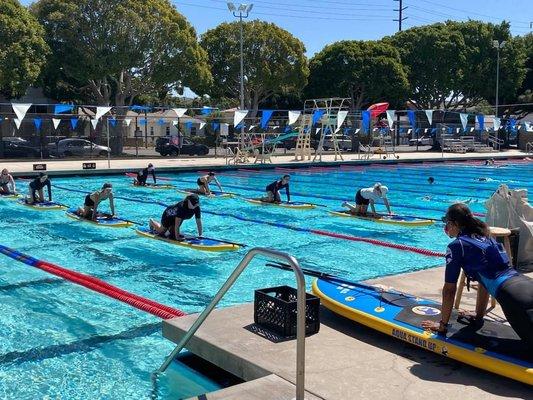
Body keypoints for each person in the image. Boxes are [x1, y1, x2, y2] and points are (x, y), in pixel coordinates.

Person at [421, 203, 533, 349]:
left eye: (446, 222)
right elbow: (484, 282)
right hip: (525, 284)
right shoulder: (486, 236)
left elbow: (449, 290)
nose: (446, 226)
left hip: (513, 297)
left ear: (454, 224)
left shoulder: (457, 245)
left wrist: (442, 325)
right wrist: (479, 315)